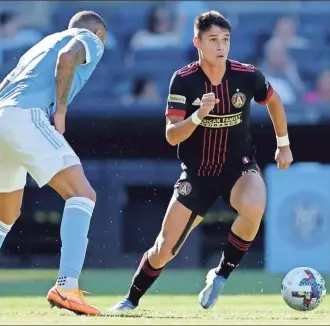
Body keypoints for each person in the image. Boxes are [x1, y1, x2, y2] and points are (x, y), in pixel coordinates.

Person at [109, 11, 293, 312]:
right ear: (197, 42)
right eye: (213, 40)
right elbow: (171, 136)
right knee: (164, 249)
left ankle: (221, 275)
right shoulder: (184, 80)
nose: (221, 46)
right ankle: (131, 299)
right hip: (198, 175)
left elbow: (273, 100)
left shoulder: (246, 75)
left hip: (239, 168)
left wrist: (283, 145)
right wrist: (198, 115)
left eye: (225, 40)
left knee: (255, 206)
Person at [0, 11, 107, 316]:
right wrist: (61, 112)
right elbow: (68, 57)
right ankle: (66, 286)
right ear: (98, 33)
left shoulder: (37, 48)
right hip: (27, 117)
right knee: (82, 194)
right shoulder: (91, 38)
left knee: (4, 214)